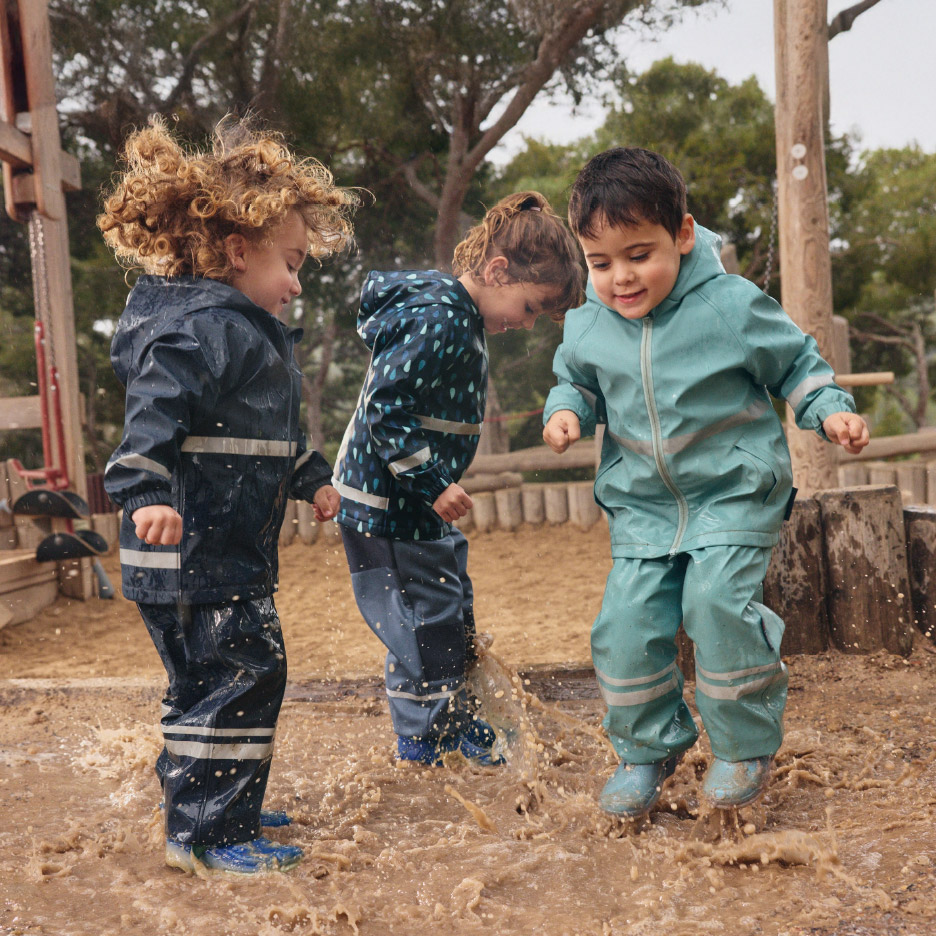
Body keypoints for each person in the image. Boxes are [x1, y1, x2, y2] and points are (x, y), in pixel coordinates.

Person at [543, 147, 870, 817]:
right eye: (600, 263)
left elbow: (796, 363)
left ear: (683, 235)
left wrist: (828, 408)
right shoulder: (588, 323)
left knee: (715, 604)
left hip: (733, 492)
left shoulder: (729, 305)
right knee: (624, 627)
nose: (620, 277)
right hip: (643, 507)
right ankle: (647, 749)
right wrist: (566, 411)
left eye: (639, 254)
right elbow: (575, 380)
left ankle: (743, 746)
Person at [98, 116, 358, 873]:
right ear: (239, 252)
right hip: (198, 552)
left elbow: (267, 431)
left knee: (205, 683)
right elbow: (152, 412)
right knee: (246, 672)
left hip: (205, 554)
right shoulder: (205, 331)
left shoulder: (241, 332)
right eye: (291, 263)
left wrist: (311, 477)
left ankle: (206, 801)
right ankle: (209, 834)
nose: (297, 283)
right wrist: (145, 488)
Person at [334, 191, 584, 766]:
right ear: (497, 271)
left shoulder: (458, 315)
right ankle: (427, 737)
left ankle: (449, 717)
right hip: (388, 501)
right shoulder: (440, 316)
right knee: (422, 614)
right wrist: (433, 483)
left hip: (411, 499)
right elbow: (386, 408)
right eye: (529, 307)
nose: (525, 324)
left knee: (446, 601)